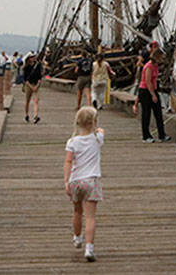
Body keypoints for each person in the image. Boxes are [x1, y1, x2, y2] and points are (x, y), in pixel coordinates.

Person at [64, 105, 104, 263]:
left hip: (76, 180)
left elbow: (68, 161)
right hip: (91, 180)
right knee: (90, 217)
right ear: (93, 122)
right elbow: (101, 131)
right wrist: (96, 127)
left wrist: (66, 181)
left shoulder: (72, 142)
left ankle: (77, 237)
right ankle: (89, 248)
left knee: (77, 211)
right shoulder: (97, 138)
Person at [138, 48, 168, 142]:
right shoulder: (149, 66)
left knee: (158, 113)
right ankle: (146, 136)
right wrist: (153, 95)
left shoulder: (156, 65)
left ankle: (162, 135)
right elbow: (148, 82)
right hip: (145, 91)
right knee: (146, 114)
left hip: (153, 89)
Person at [24, 53, 44, 123]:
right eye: (32, 57)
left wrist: (37, 86)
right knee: (27, 101)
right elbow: (25, 79)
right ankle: (26, 114)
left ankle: (35, 116)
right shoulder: (26, 67)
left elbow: (40, 77)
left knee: (36, 101)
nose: (33, 58)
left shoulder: (38, 66)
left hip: (36, 84)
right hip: (29, 85)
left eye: (34, 57)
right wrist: (31, 87)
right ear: (29, 58)